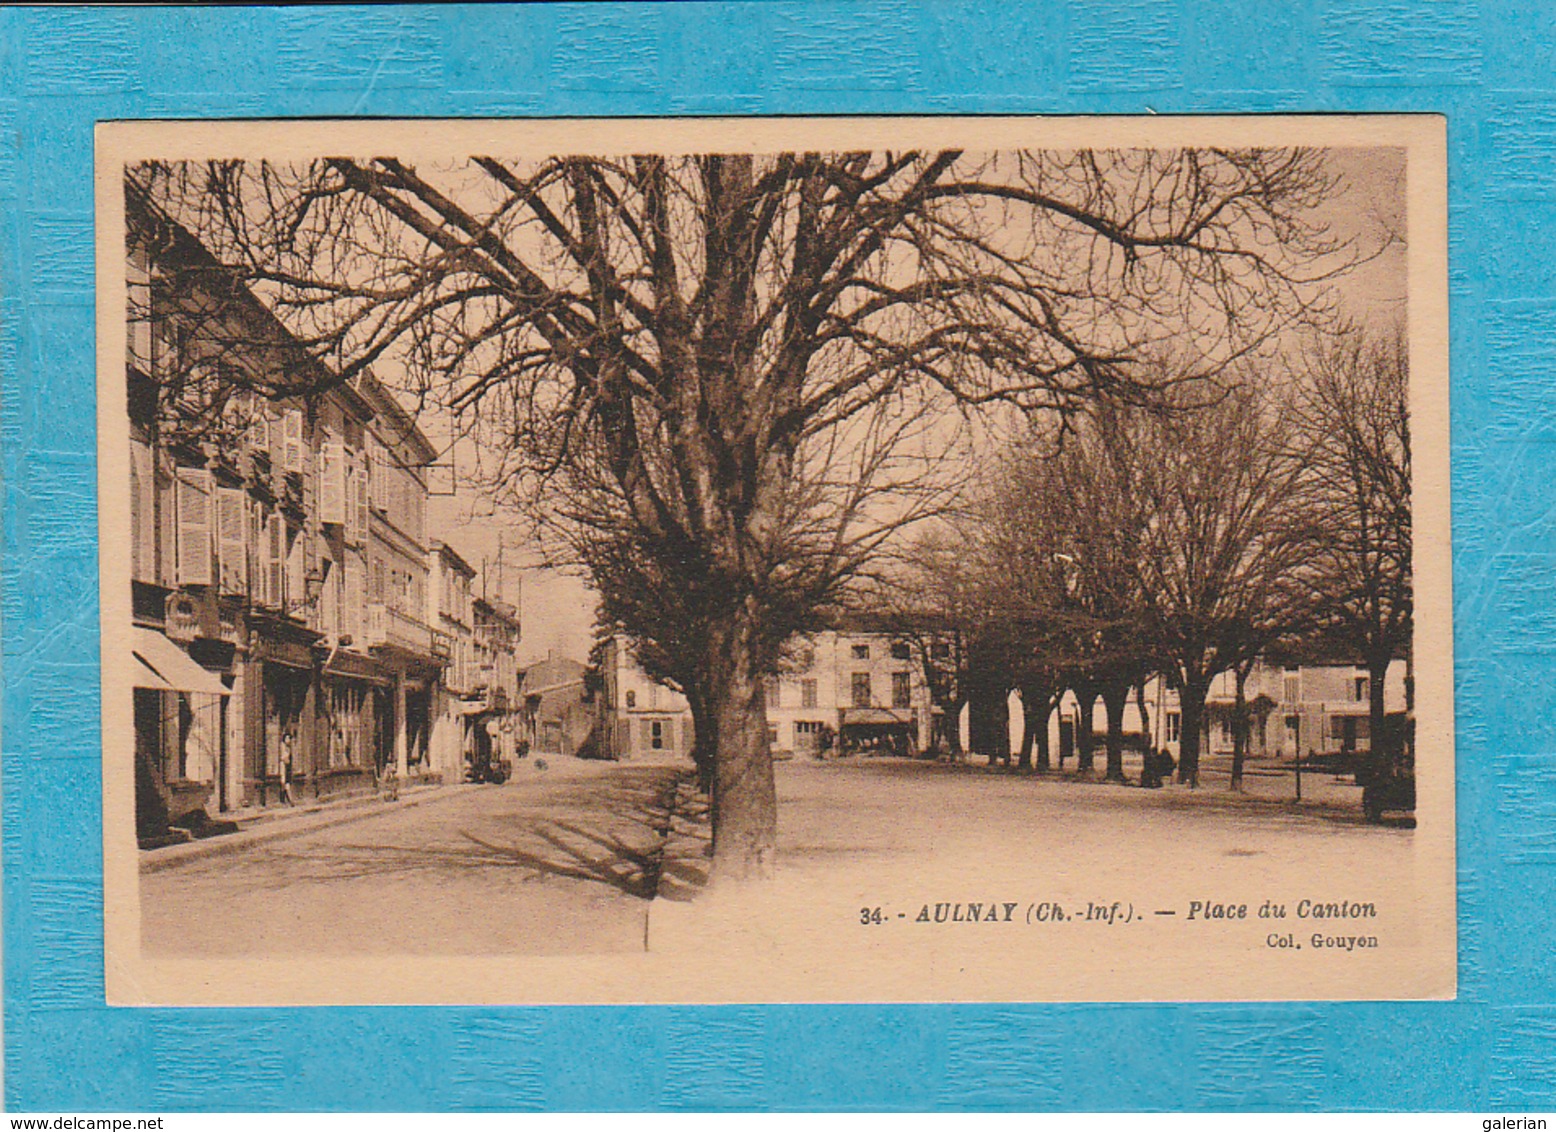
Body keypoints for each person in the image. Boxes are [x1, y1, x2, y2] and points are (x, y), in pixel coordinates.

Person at [278, 729, 296, 805]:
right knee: (284, 782)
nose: (289, 740)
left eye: (289, 739)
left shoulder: (288, 748)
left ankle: (287, 799)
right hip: (282, 766)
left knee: (286, 782)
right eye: (288, 738)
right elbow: (282, 757)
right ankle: (289, 800)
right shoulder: (282, 746)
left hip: (286, 767)